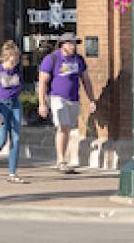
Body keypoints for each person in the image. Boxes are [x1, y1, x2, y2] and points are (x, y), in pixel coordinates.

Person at [38, 31, 95, 174]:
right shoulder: (52, 59)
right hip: (57, 97)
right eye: (70, 43)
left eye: (74, 43)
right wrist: (42, 103)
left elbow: (86, 80)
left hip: (73, 98)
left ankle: (63, 159)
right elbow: (43, 82)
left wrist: (91, 99)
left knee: (68, 128)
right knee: (63, 126)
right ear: (62, 45)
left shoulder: (79, 60)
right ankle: (61, 160)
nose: (73, 46)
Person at [0, 40, 26, 183]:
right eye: (12, 58)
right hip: (0, 105)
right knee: (1, 139)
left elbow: (18, 88)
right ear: (6, 57)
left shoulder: (17, 71)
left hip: (14, 105)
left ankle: (12, 173)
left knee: (16, 138)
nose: (14, 62)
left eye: (17, 58)